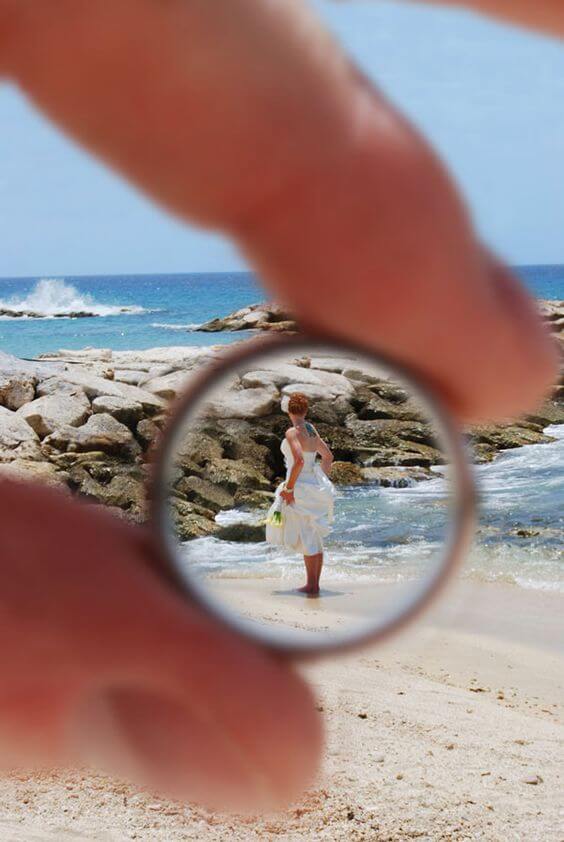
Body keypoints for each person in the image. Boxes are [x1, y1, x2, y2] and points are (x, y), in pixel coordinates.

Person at [0, 0, 560, 814]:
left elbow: (316, 459)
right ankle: (303, 589)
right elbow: (309, 459)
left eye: (294, 404)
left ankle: (305, 589)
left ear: (294, 403)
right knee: (303, 535)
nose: (295, 410)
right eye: (297, 404)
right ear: (299, 403)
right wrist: (306, 464)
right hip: (303, 492)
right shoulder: (305, 432)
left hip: (307, 492)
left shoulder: (309, 433)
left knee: (305, 534)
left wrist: (308, 463)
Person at [268, 392, 335, 595]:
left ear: (289, 411)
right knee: (313, 534)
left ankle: (311, 585)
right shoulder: (311, 429)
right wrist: (320, 480)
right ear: (305, 411)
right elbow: (328, 457)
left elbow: (298, 461)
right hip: (313, 484)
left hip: (298, 486)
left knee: (307, 534)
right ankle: (313, 584)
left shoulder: (293, 432)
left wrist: (289, 489)